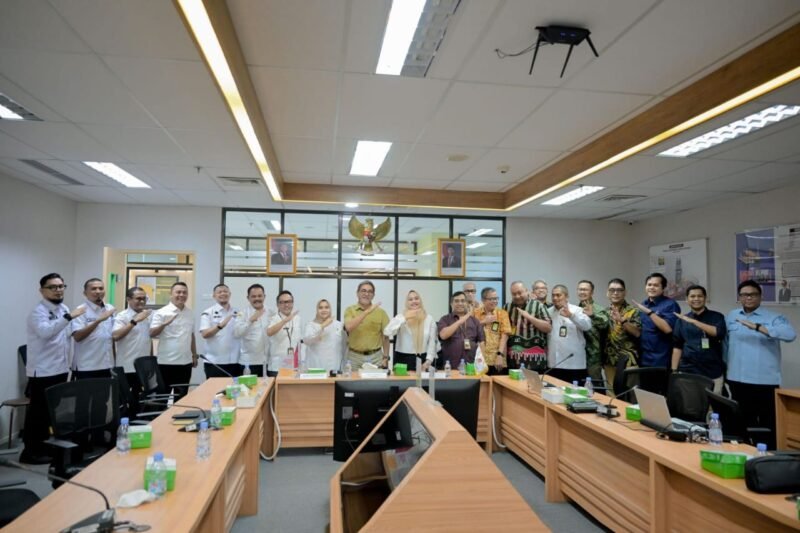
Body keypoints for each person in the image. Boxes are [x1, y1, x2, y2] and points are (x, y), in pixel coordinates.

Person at [21, 273, 86, 464]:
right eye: (53, 287)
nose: (58, 290)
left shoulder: (63, 308)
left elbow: (66, 335)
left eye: (61, 286)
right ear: (42, 291)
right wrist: (68, 317)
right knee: (38, 413)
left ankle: (43, 446)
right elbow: (45, 332)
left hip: (60, 368)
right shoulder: (38, 312)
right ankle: (30, 452)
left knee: (50, 412)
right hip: (43, 370)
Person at [726, 280, 796, 449]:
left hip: (764, 381)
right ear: (739, 297)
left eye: (753, 294)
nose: (748, 298)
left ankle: (768, 458)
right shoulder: (732, 316)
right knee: (741, 424)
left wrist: (758, 327)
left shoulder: (773, 317)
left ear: (760, 296)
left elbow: (790, 335)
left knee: (768, 425)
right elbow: (725, 344)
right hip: (737, 379)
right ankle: (745, 455)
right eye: (744, 295)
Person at [670, 285, 726, 393]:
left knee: (714, 402)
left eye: (700, 296)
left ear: (705, 298)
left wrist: (694, 322)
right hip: (688, 370)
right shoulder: (681, 320)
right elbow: (677, 347)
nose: (696, 299)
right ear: (687, 299)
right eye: (692, 296)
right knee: (689, 402)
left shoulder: (717, 316)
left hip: (712, 371)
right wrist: (674, 370)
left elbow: (718, 333)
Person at [150, 281, 197, 399]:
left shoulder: (190, 313)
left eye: (184, 292)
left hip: (185, 362)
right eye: (178, 292)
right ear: (171, 294)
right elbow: (152, 333)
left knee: (181, 398)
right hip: (166, 362)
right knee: (162, 398)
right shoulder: (161, 312)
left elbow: (191, 335)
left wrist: (194, 355)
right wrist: (164, 324)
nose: (181, 295)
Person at [112, 287, 152, 416]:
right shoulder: (122, 316)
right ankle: (124, 425)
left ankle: (138, 424)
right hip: (127, 367)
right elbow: (115, 336)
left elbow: (148, 340)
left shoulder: (147, 316)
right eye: (138, 298)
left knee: (142, 401)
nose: (142, 301)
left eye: (144, 298)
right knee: (125, 403)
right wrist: (134, 321)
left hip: (143, 368)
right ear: (128, 299)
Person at [631, 273, 680, 368]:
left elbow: (667, 329)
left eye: (656, 285)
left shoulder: (671, 304)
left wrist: (650, 313)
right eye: (649, 285)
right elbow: (639, 331)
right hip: (643, 357)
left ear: (663, 288)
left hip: (661, 358)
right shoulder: (644, 304)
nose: (652, 287)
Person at [70, 278, 115, 379]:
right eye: (93, 289)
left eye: (101, 288)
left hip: (107, 364)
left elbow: (110, 338)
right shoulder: (80, 310)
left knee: (106, 390)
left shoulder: (109, 308)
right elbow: (77, 337)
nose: (98, 291)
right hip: (86, 367)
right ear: (85, 293)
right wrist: (98, 321)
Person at [547, 285, 592, 384]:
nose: (555, 298)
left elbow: (587, 326)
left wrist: (571, 316)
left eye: (558, 295)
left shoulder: (577, 310)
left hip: (573, 364)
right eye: (553, 295)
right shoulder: (548, 312)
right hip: (553, 363)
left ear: (567, 297)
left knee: (573, 392)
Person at [503, 281, 551, 372]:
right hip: (513, 360)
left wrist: (529, 317)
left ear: (526, 291)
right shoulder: (506, 307)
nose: (517, 296)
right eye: (514, 294)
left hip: (535, 360)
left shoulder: (538, 306)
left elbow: (548, 328)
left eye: (519, 293)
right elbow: (503, 332)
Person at [384, 290, 438, 371]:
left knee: (422, 380)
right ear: (407, 302)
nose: (414, 301)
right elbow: (387, 332)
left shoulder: (429, 318)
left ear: (420, 300)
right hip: (402, 358)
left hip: (423, 359)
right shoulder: (401, 317)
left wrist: (428, 361)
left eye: (416, 298)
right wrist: (405, 318)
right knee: (401, 380)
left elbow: (432, 342)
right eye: (410, 299)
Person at [604, 278, 641, 391]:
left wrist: (622, 321)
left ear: (625, 293)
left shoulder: (633, 311)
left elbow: (637, 333)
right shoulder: (604, 312)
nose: (615, 293)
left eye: (619, 290)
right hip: (609, 360)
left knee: (630, 394)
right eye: (612, 290)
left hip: (628, 361)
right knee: (611, 394)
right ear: (607, 293)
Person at [344, 281, 390, 370]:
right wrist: (367, 311)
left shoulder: (381, 312)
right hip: (354, 358)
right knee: (353, 379)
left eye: (370, 291)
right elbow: (348, 327)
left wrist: (386, 357)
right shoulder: (349, 310)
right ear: (357, 293)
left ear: (373, 295)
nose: (366, 294)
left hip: (376, 357)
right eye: (363, 291)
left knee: (376, 380)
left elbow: (386, 337)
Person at [199, 283, 240, 378]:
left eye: (225, 291)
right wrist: (220, 326)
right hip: (215, 362)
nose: (223, 293)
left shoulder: (237, 312)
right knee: (215, 388)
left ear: (230, 294)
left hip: (235, 361)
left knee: (234, 388)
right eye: (219, 292)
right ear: (214, 296)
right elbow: (205, 334)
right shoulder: (208, 312)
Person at [233, 284, 273, 377]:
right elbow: (237, 333)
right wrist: (250, 320)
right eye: (253, 296)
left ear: (264, 296)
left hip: (268, 362)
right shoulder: (242, 313)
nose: (257, 298)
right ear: (248, 298)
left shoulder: (271, 312)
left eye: (259, 296)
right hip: (249, 363)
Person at [438, 291, 485, 369]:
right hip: (450, 365)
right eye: (456, 301)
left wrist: (481, 363)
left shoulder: (475, 321)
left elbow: (481, 342)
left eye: (463, 301)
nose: (460, 303)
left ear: (466, 303)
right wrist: (462, 320)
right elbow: (443, 335)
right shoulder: (445, 319)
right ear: (451, 304)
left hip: (471, 366)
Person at [577, 280, 609, 384]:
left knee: (595, 386)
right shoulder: (575, 309)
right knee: (579, 386)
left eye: (585, 289)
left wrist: (592, 315)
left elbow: (605, 325)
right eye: (580, 289)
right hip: (578, 355)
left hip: (593, 357)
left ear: (592, 292)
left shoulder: (599, 309)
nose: (582, 292)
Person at [474, 287, 511, 375]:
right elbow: (470, 331)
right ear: (483, 300)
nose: (495, 301)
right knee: (481, 383)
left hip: (497, 359)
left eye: (496, 298)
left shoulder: (502, 314)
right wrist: (483, 322)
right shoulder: (475, 313)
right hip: (479, 358)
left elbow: (505, 335)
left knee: (497, 382)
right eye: (491, 299)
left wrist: (500, 355)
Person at [303, 299, 345, 372]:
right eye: (320, 308)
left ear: (330, 309)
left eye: (326, 307)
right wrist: (323, 326)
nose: (324, 310)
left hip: (334, 367)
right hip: (316, 367)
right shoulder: (311, 325)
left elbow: (344, 344)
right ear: (317, 310)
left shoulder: (338, 325)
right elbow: (307, 340)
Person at [267, 290, 301, 376]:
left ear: (292, 303)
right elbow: (269, 332)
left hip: (293, 366)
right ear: (277, 305)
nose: (286, 305)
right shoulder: (273, 318)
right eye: (282, 302)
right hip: (277, 367)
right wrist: (285, 320)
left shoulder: (298, 319)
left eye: (289, 302)